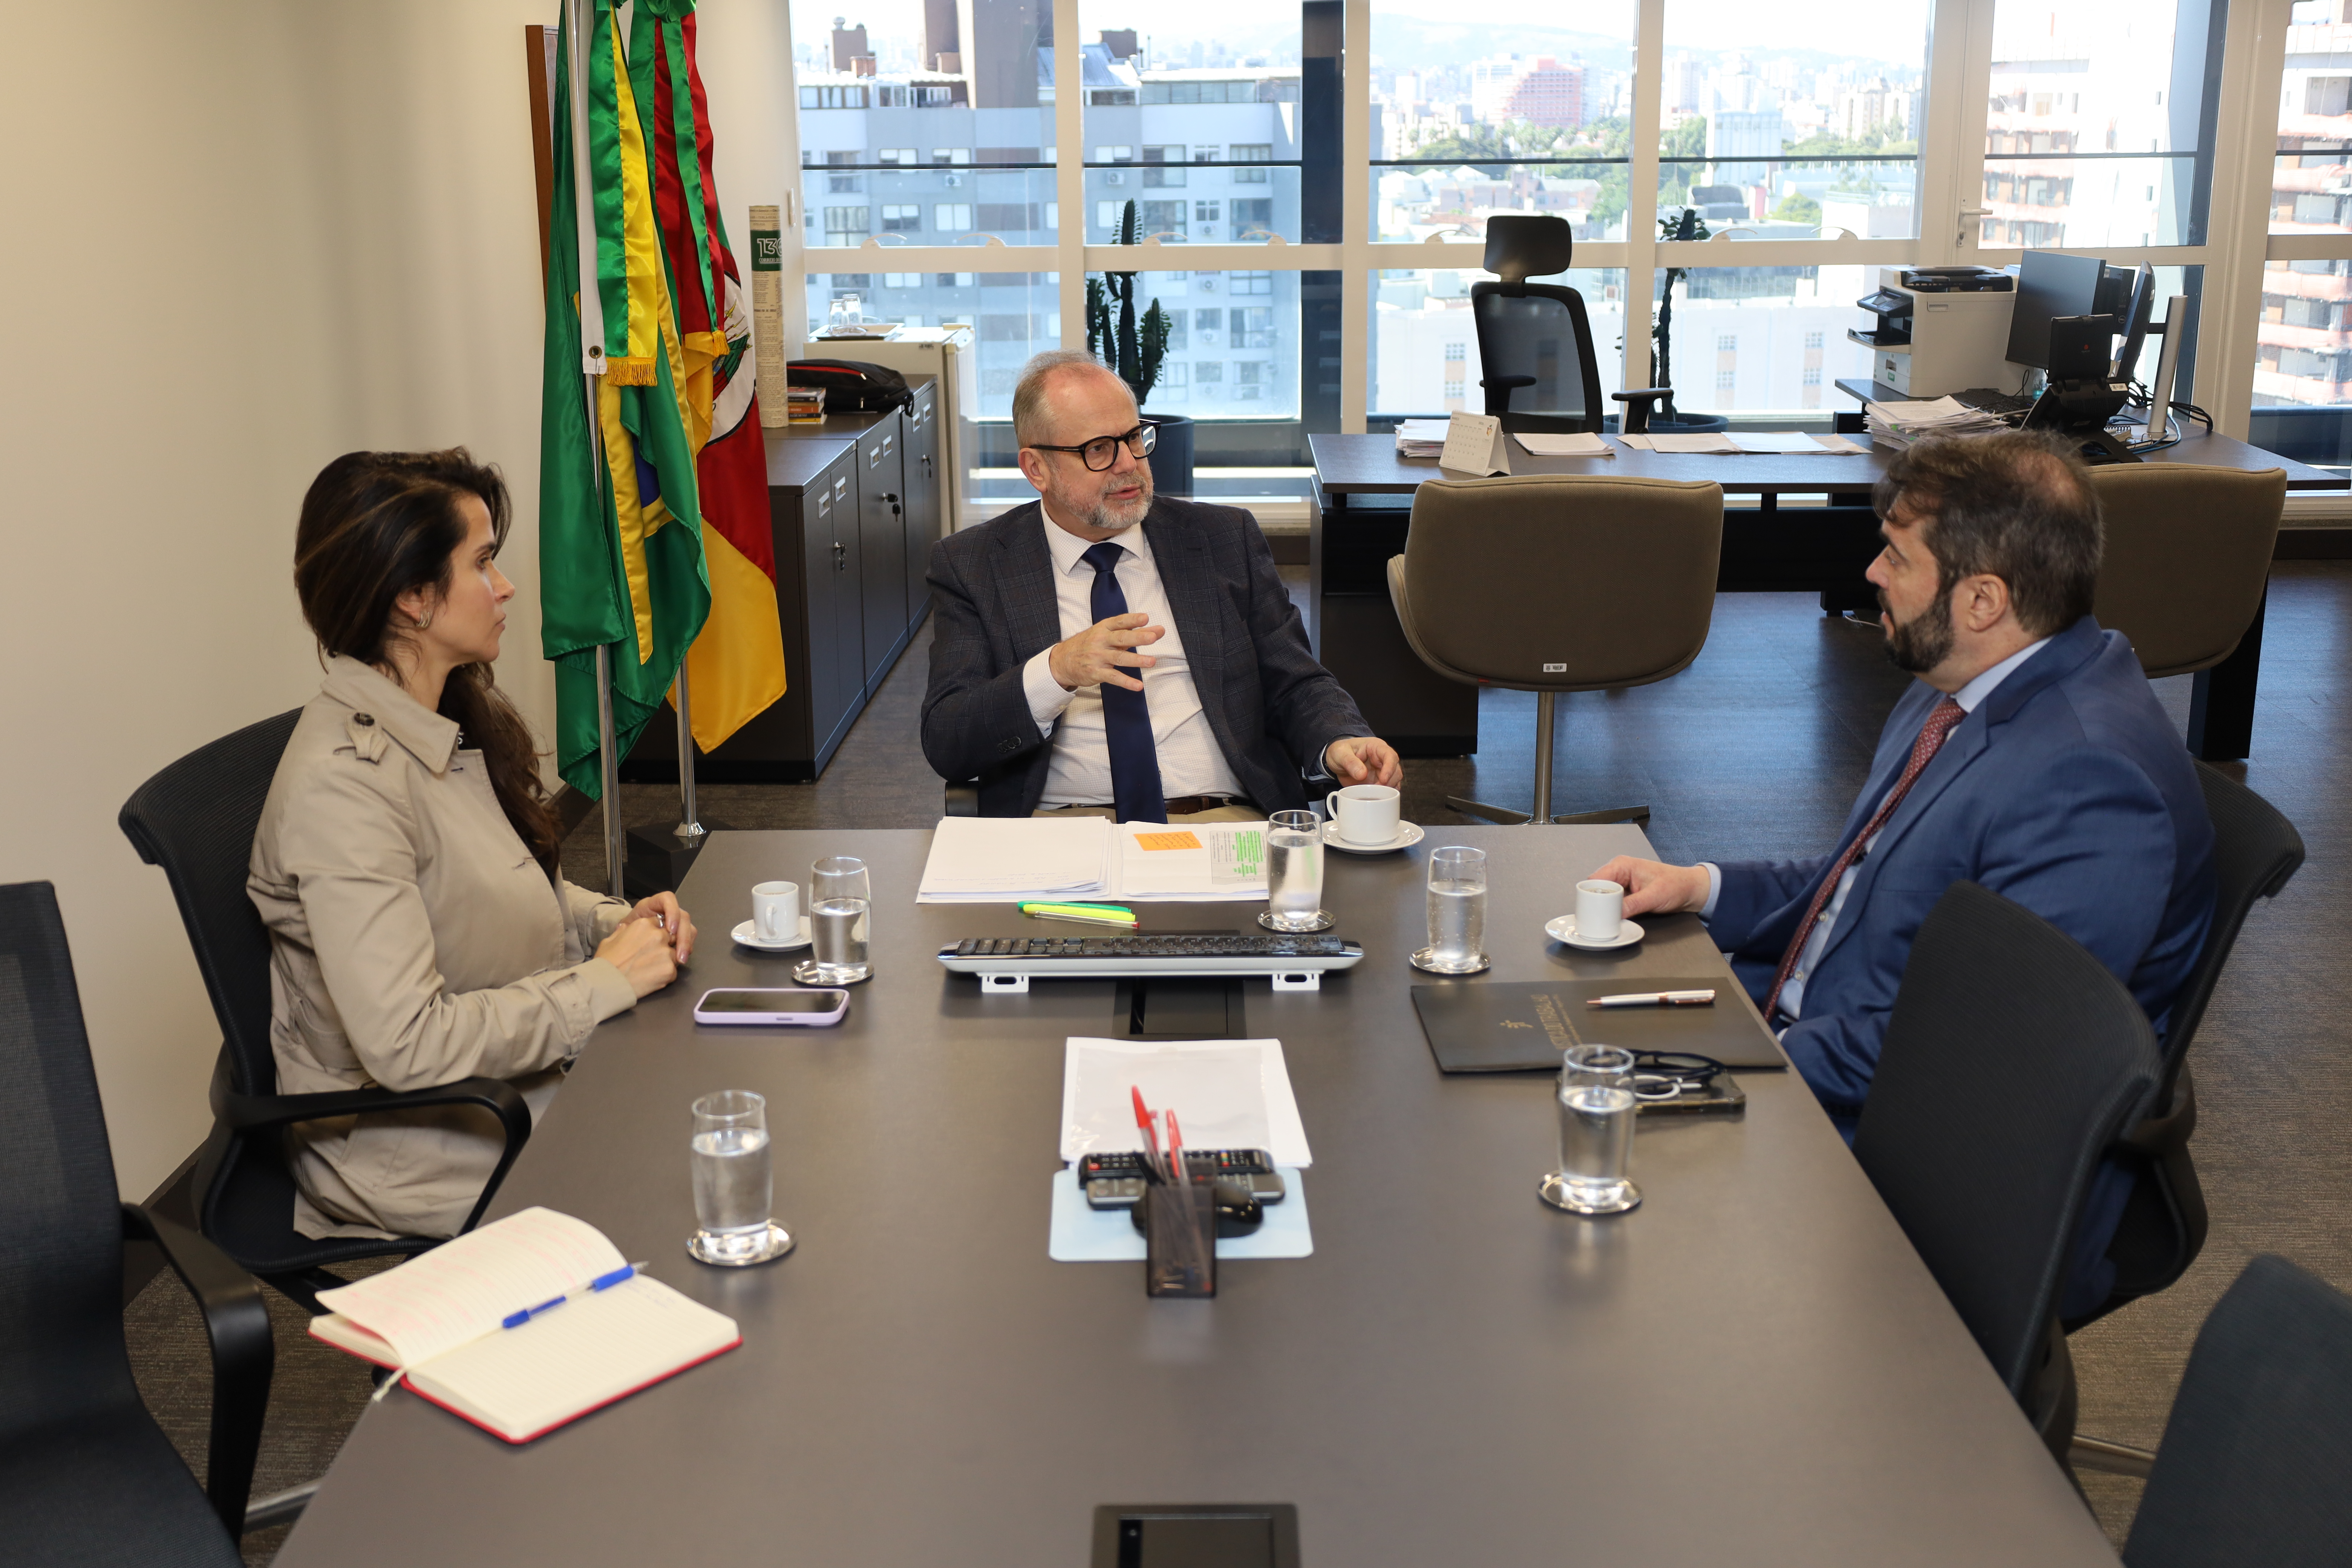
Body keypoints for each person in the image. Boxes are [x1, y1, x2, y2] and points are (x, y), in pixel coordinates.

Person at [1590, 431, 2214, 1312]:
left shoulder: (2091, 782)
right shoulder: (1962, 682)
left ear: (1983, 598)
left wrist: (1727, 1064)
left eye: (1895, 554)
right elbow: (1867, 877)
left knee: (1585, 1220)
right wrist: (1700, 888)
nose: (1871, 573)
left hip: (1915, 1157)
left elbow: (1967, 1051)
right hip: (1824, 1043)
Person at [249, 449, 696, 1242]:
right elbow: (408, 1047)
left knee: (705, 1092)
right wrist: (600, 983)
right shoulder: (344, 788)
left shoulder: (436, 717)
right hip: (411, 1140)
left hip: (499, 1083)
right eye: (483, 563)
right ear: (413, 599)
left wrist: (613, 925)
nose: (506, 585)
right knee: (685, 1159)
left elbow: (496, 888)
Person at [922, 349, 1401, 820]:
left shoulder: (1222, 538)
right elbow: (949, 737)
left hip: (1220, 816)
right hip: (1063, 827)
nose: (1129, 463)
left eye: (1135, 438)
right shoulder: (974, 565)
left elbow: (1296, 682)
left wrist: (1339, 738)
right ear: (1036, 469)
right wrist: (1056, 670)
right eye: (1098, 449)